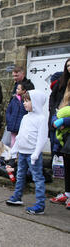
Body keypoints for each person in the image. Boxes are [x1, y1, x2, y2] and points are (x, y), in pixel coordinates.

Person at [6, 90, 48, 215]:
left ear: (35, 102)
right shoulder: (25, 117)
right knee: (20, 175)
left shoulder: (41, 119)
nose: (25, 103)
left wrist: (36, 153)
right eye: (24, 100)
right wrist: (14, 150)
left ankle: (40, 205)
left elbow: (42, 138)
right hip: (22, 153)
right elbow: (20, 136)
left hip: (32, 154)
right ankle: (17, 196)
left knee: (37, 178)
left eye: (27, 101)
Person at [48, 58, 70, 210]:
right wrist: (55, 118)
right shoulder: (63, 83)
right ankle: (67, 193)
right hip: (61, 128)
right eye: (68, 65)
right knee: (65, 161)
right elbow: (53, 101)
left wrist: (65, 121)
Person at [5, 82, 28, 147]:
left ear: (24, 91)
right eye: (17, 89)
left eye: (18, 89)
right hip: (13, 123)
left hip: (21, 124)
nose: (16, 90)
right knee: (13, 140)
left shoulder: (26, 100)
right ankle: (13, 155)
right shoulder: (14, 99)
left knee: (21, 140)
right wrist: (9, 120)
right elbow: (8, 110)